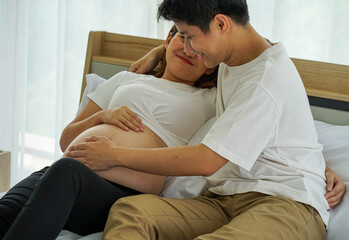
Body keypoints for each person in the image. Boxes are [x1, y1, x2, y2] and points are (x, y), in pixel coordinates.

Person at [65, 1, 346, 239]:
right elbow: (285, 125)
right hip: (226, 198)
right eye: (180, 37)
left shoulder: (263, 81)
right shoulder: (237, 53)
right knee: (131, 212)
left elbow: (206, 160)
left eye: (189, 36)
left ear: (222, 25)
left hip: (286, 204)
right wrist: (159, 52)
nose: (188, 48)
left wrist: (113, 156)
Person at [0, 26, 218, 240]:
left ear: (211, 65)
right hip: (58, 174)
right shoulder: (124, 79)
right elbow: (66, 140)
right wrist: (100, 117)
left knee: (68, 170)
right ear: (168, 40)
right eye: (184, 37)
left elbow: (247, 62)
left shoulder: (210, 100)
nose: (189, 50)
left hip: (120, 194)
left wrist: (157, 52)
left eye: (200, 50)